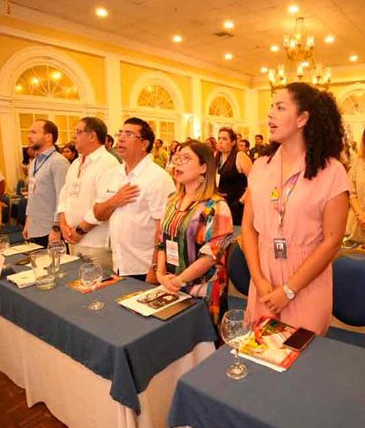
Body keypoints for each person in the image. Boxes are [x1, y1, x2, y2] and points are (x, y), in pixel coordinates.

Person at [242, 82, 350, 335]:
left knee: (300, 360)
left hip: (306, 278)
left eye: (280, 107)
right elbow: (247, 227)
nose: (270, 114)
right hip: (264, 275)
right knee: (259, 354)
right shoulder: (260, 167)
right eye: (271, 107)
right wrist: (258, 280)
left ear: (302, 118)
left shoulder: (331, 171)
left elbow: (332, 241)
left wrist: (289, 289)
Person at [155, 141, 234, 324]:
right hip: (171, 287)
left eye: (187, 158)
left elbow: (210, 256)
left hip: (201, 293)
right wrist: (160, 274)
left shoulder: (216, 206)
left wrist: (180, 280)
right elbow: (161, 242)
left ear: (203, 167)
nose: (179, 163)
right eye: (177, 158)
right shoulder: (172, 201)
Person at [93, 118, 175, 280]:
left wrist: (155, 268)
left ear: (144, 144)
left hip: (144, 267)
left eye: (129, 134)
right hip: (118, 263)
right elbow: (98, 214)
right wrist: (114, 201)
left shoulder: (158, 178)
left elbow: (164, 230)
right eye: (120, 133)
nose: (121, 138)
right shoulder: (112, 174)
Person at [57, 117, 120, 269]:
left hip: (95, 243)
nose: (73, 137)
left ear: (92, 136)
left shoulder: (107, 163)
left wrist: (80, 231)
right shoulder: (77, 162)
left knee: (98, 289)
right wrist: (63, 223)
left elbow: (104, 205)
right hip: (72, 238)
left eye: (78, 132)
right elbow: (65, 194)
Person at [24, 119, 70, 247]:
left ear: (48, 136)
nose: (29, 136)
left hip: (50, 230)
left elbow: (63, 199)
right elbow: (32, 194)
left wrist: (56, 229)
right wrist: (28, 222)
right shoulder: (34, 162)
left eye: (33, 132)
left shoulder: (58, 162)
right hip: (35, 227)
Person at [215, 127, 252, 225]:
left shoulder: (240, 156)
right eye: (219, 138)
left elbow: (254, 181)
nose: (220, 142)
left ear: (233, 142)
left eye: (224, 139)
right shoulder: (217, 156)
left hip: (237, 205)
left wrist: (241, 202)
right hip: (221, 205)